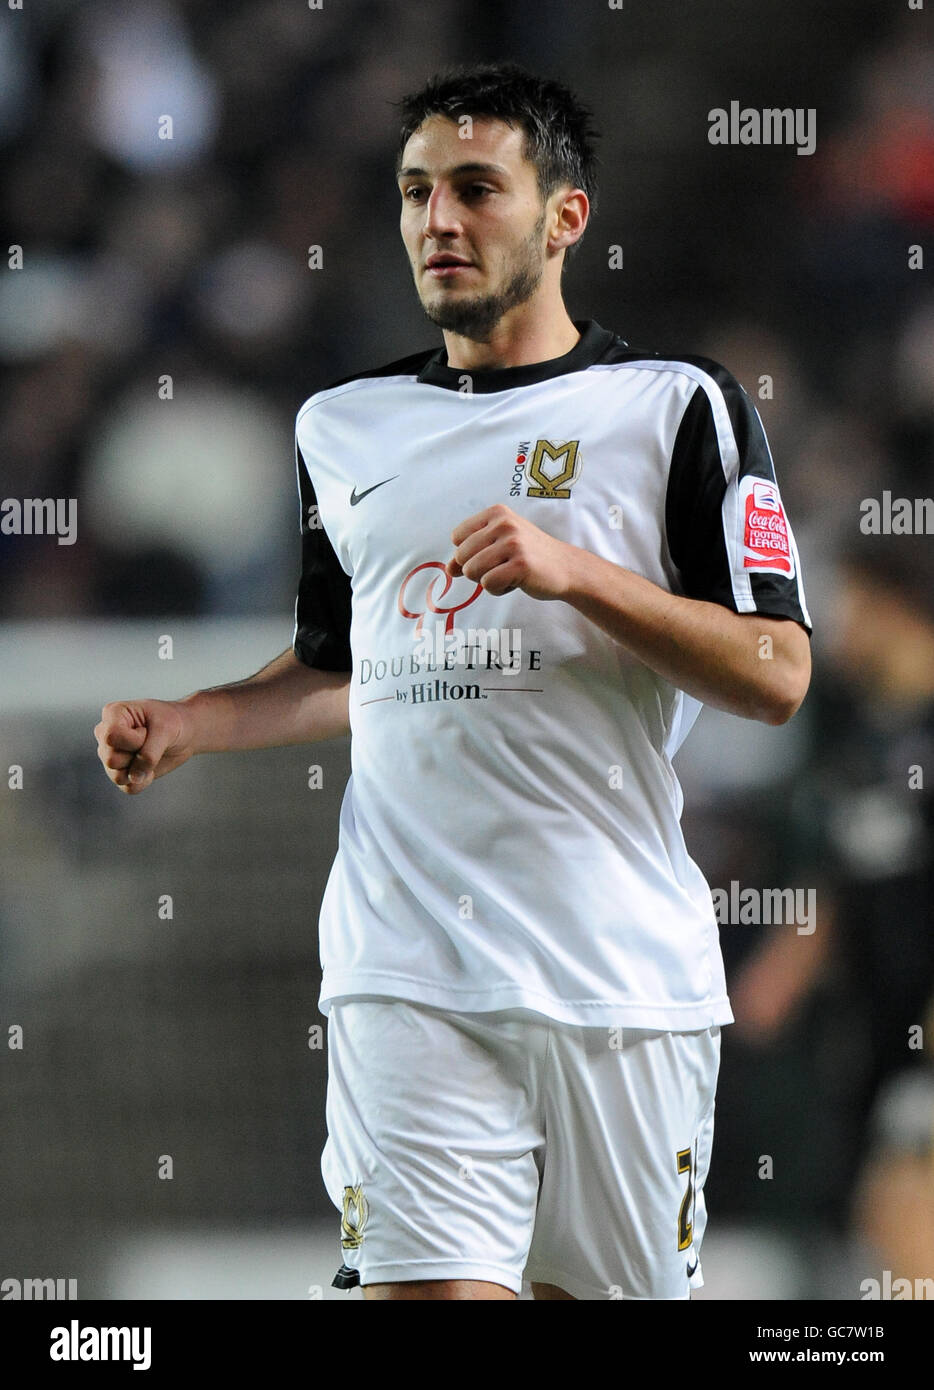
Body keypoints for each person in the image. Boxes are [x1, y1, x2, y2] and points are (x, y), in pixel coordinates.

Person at [94, 62, 813, 1300]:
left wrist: (578, 575)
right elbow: (350, 662)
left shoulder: (675, 409)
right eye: (416, 190)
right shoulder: (344, 427)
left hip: (618, 979)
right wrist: (197, 719)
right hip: (406, 968)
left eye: (477, 188)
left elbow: (777, 672)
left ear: (563, 217)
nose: (438, 219)